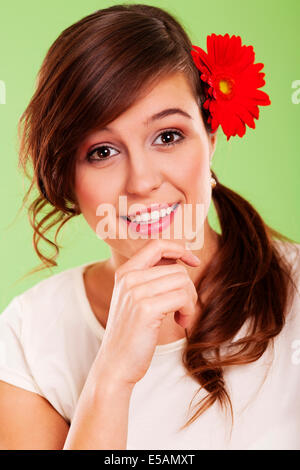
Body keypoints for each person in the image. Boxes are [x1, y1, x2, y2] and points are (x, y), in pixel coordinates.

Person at [0, 3, 299, 450]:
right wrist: (111, 377)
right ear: (68, 178)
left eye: (168, 136)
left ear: (210, 140)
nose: (142, 181)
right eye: (102, 151)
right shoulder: (27, 337)